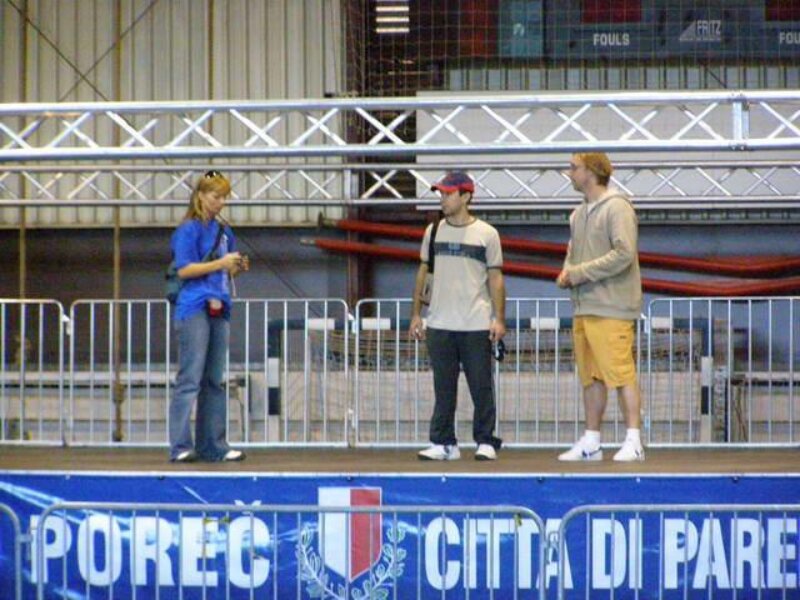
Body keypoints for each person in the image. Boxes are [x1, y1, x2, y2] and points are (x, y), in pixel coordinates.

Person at [409, 171, 506, 461]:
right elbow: (424, 273)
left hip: (475, 323)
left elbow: (496, 279)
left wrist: (499, 319)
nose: (443, 199)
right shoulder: (433, 232)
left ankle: (486, 440)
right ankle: (444, 442)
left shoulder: (487, 234)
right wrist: (416, 314)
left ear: (466, 196)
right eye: (440, 193)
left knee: (481, 386)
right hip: (439, 322)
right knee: (443, 388)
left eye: (448, 194)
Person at [556, 153, 644, 462]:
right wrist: (567, 271)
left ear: (592, 171)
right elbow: (572, 252)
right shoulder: (578, 213)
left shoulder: (617, 207)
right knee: (590, 377)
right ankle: (591, 441)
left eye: (574, 167)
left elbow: (624, 253)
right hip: (585, 307)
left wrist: (578, 273)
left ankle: (634, 440)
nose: (569, 172)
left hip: (612, 306)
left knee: (621, 373)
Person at [169, 170, 249, 463]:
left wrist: (235, 267)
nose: (221, 202)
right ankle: (180, 445)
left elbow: (224, 270)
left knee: (214, 379)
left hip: (220, 305)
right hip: (194, 306)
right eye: (216, 196)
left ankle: (213, 444)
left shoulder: (225, 232)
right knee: (190, 378)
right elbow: (184, 269)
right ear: (201, 196)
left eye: (224, 197)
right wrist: (221, 263)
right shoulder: (187, 230)